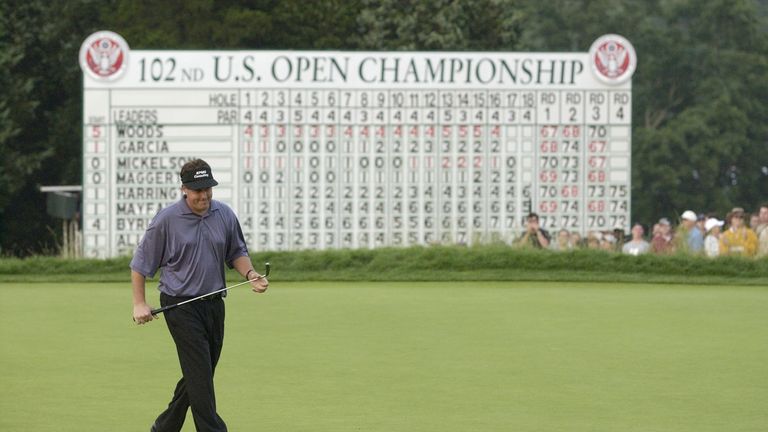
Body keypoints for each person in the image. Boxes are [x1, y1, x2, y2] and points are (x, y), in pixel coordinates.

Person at [131, 159, 269, 432]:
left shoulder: (224, 214)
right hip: (180, 306)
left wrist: (251, 275)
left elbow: (236, 252)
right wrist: (139, 303)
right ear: (184, 189)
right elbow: (140, 264)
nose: (203, 196)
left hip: (215, 304)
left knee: (200, 374)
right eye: (197, 190)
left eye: (208, 189)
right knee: (201, 376)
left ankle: (165, 427)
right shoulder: (166, 220)